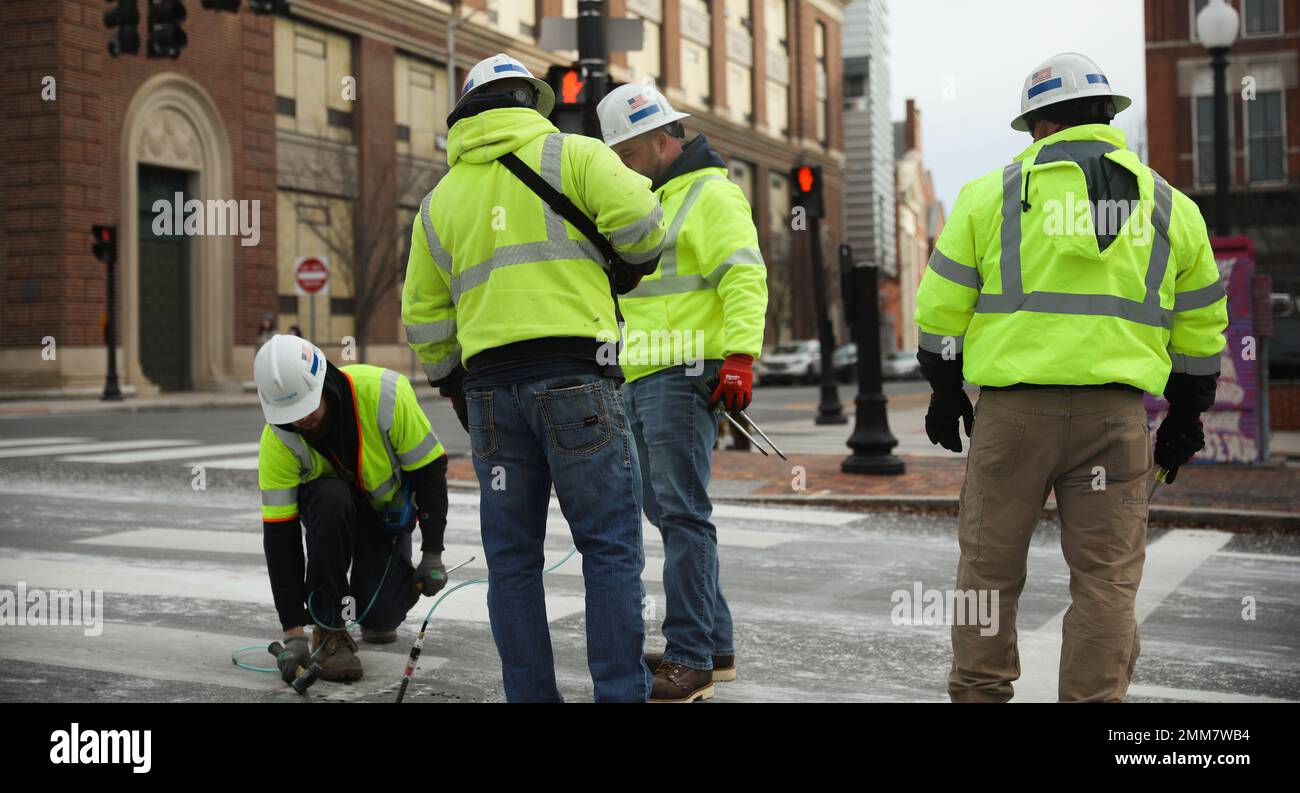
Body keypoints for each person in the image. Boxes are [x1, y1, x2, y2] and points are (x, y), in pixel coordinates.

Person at [914, 52, 1228, 702]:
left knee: (988, 574)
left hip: (1012, 419)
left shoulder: (989, 196)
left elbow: (940, 308)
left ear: (1038, 123)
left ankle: (979, 693)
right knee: (1107, 582)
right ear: (1108, 117)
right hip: (1115, 423)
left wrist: (945, 389)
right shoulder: (1171, 206)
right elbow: (1200, 328)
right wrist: (1188, 415)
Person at [402, 54, 665, 702]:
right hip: (577, 378)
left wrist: (453, 385)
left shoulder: (440, 202)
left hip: (491, 393)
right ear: (532, 102)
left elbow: (423, 315)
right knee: (609, 549)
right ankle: (618, 694)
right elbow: (642, 223)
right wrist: (627, 261)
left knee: (512, 562)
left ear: (466, 114)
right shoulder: (573, 156)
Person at [596, 83, 769, 702]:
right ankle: (711, 647)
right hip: (644, 374)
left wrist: (742, 356)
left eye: (626, 152)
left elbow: (744, 274)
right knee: (670, 514)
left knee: (682, 516)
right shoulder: (655, 198)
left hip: (682, 372)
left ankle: (690, 656)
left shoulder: (710, 193)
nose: (620, 164)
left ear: (659, 139)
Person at [254, 334, 450, 683]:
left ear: (324, 383)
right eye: (290, 414)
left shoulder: (385, 394)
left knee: (382, 618)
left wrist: (432, 552)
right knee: (331, 497)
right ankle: (329, 630)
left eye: (306, 408)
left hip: (382, 520)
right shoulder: (278, 440)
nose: (300, 422)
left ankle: (370, 608)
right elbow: (281, 539)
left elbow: (429, 473)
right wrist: (294, 633)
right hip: (330, 519)